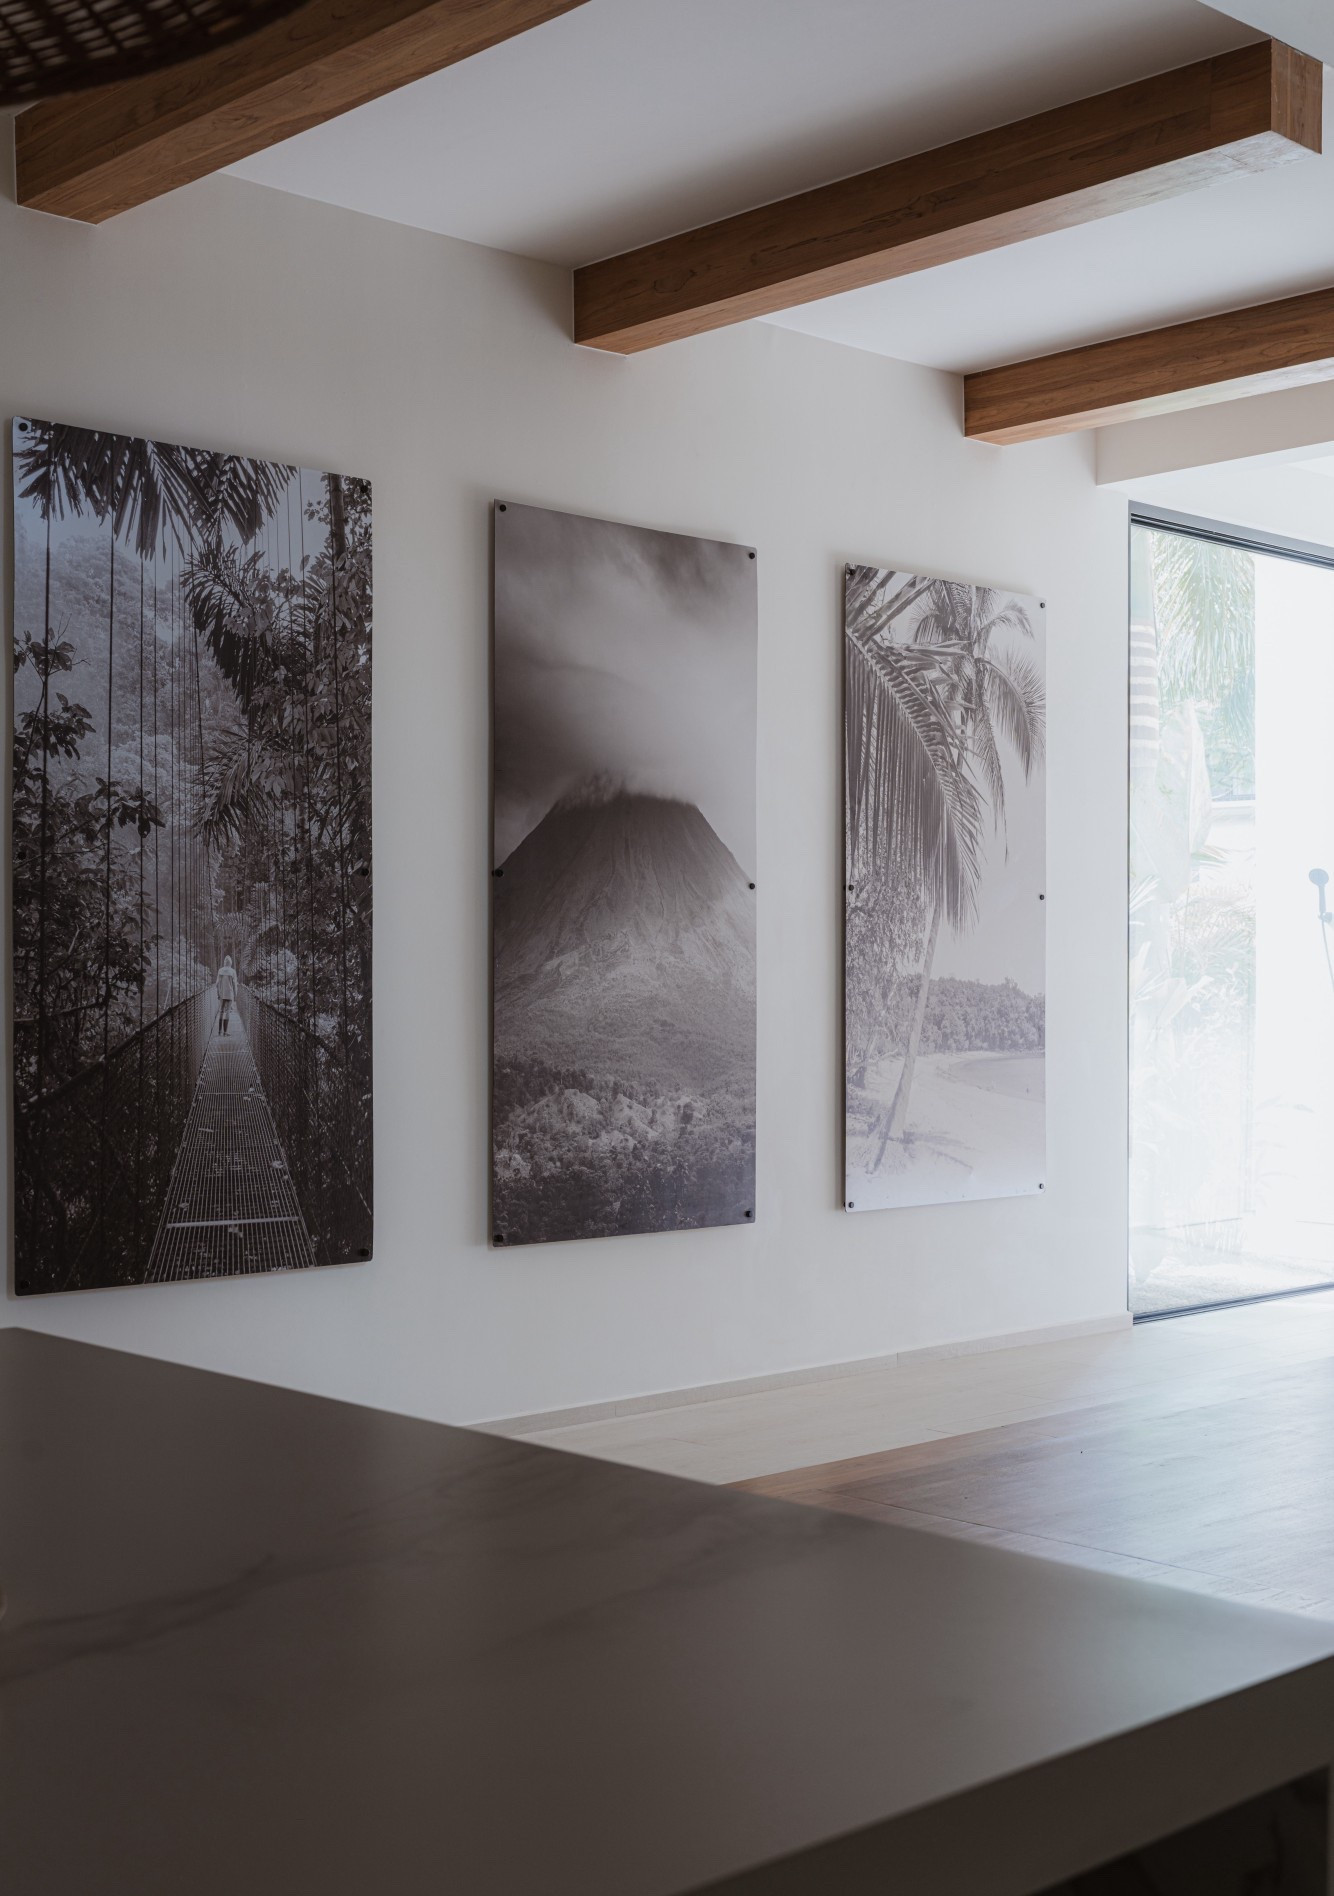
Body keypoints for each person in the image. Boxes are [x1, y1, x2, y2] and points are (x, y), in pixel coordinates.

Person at [216, 954, 238, 1036]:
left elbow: (217, 984)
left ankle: (219, 1031)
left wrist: (218, 993)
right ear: (231, 963)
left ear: (224, 962)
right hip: (230, 994)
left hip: (222, 994)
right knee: (227, 1011)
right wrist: (235, 995)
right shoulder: (233, 971)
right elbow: (235, 984)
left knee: (221, 1011)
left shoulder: (220, 970)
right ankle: (225, 1032)